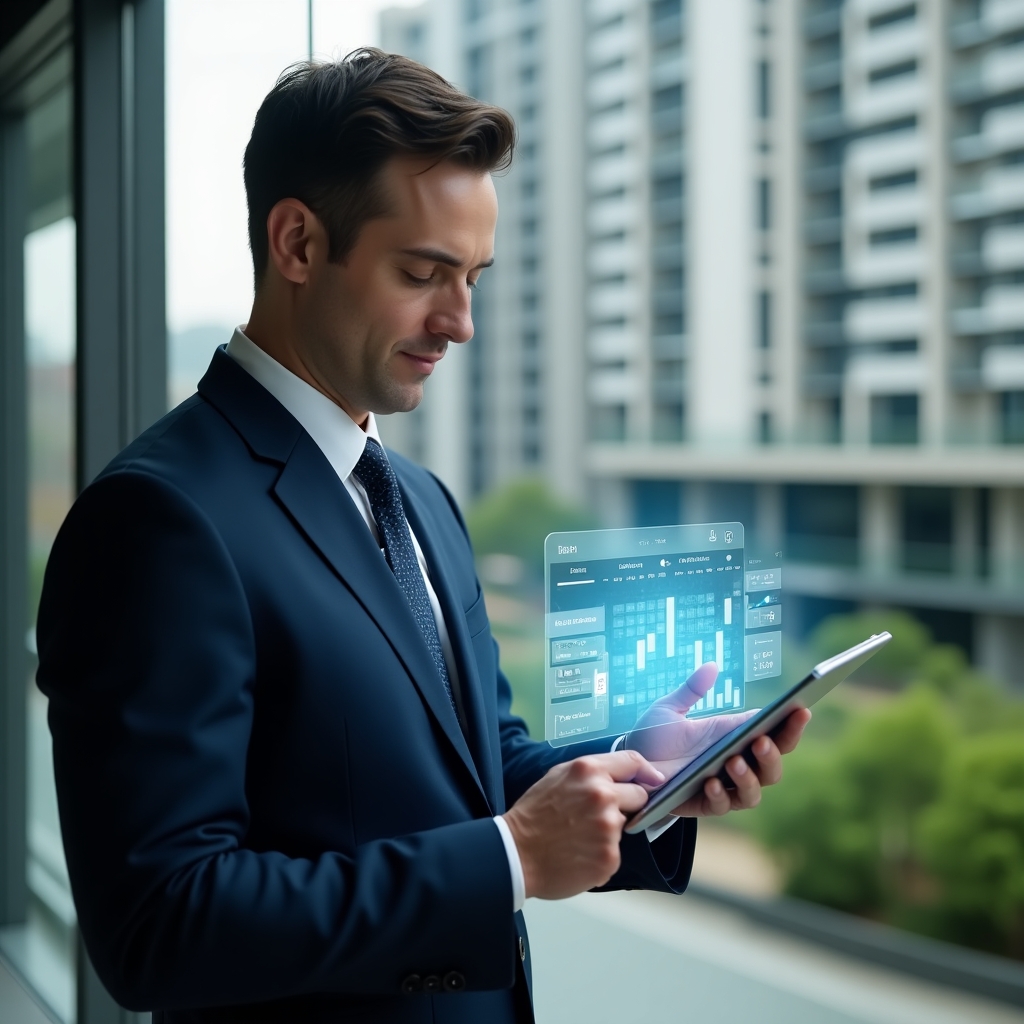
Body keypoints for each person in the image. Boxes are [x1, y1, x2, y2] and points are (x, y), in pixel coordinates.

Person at [36, 50, 809, 1024]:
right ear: (298, 243)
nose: (461, 322)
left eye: (474, 277)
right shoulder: (155, 522)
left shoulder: (420, 500)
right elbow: (160, 923)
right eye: (424, 273)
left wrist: (645, 772)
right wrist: (512, 858)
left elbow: (478, 763)